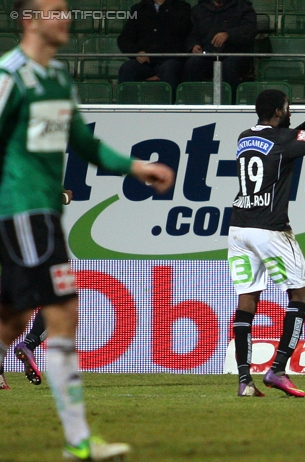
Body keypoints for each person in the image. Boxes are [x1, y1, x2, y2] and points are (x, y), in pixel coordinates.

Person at [0, 2, 175, 460]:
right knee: (62, 311)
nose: (65, 19)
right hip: (20, 212)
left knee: (14, 320)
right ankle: (79, 440)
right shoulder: (10, 76)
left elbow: (83, 142)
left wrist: (135, 166)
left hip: (42, 214)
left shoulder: (55, 79)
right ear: (28, 19)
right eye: (53, 12)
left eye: (65, 12)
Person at [229, 84, 305, 398]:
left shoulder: (244, 137)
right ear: (279, 111)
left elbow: (281, 142)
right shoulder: (281, 138)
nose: (289, 110)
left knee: (247, 301)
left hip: (239, 228)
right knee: (300, 295)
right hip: (270, 229)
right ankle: (277, 369)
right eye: (288, 107)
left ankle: (243, 381)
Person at [0, 190, 73, 390]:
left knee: (8, 313)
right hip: (30, 249)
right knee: (59, 304)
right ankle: (30, 343)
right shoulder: (25, 177)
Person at [117, 0, 192, 95]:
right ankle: (128, 107)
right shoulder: (138, 9)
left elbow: (187, 36)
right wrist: (137, 53)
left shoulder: (182, 7)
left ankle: (166, 108)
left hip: (172, 61)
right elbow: (124, 39)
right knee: (127, 68)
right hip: (146, 63)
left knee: (168, 69)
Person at [183, 0, 257, 95]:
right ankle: (192, 102)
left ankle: (231, 103)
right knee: (192, 63)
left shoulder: (243, 8)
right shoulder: (198, 9)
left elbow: (250, 29)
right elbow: (191, 33)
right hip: (208, 55)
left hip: (235, 54)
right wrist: (193, 45)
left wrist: (229, 34)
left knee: (229, 66)